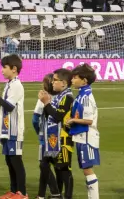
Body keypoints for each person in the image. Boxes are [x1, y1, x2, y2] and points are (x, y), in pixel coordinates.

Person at [0, 54, 27, 199]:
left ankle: (22, 193)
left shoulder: (16, 85)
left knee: (16, 161)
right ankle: (13, 190)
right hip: (7, 130)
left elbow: (9, 106)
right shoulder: (10, 84)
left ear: (14, 69)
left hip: (14, 130)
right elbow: (5, 104)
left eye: (4, 67)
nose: (1, 70)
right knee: (9, 161)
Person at [39, 68, 74, 199]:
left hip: (63, 139)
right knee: (46, 164)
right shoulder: (59, 97)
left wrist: (46, 103)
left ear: (64, 83)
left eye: (55, 80)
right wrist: (46, 104)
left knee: (64, 169)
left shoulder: (67, 98)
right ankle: (57, 194)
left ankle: (67, 196)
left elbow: (58, 116)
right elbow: (49, 115)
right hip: (53, 138)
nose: (52, 82)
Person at [68, 64, 100, 199]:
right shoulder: (82, 95)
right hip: (81, 136)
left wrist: (73, 120)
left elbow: (89, 120)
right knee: (85, 170)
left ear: (84, 80)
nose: (72, 80)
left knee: (88, 169)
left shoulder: (86, 97)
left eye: (75, 77)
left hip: (87, 136)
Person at [33, 73, 60, 199]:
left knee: (44, 165)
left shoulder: (43, 99)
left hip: (45, 137)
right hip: (59, 136)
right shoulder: (60, 98)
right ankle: (42, 194)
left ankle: (54, 192)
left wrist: (39, 132)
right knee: (52, 165)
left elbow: (35, 119)